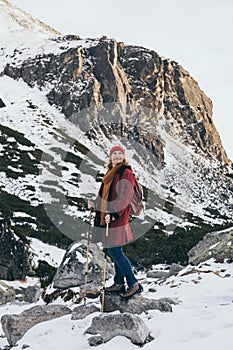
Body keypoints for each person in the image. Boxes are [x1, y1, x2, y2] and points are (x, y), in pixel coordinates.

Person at [88, 145, 143, 299]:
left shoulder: (125, 172)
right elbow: (105, 196)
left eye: (120, 153)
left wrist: (113, 215)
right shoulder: (110, 173)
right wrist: (95, 203)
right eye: (114, 154)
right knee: (114, 251)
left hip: (117, 218)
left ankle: (133, 283)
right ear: (110, 157)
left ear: (124, 156)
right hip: (108, 217)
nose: (117, 156)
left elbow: (125, 197)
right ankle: (119, 282)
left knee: (115, 251)